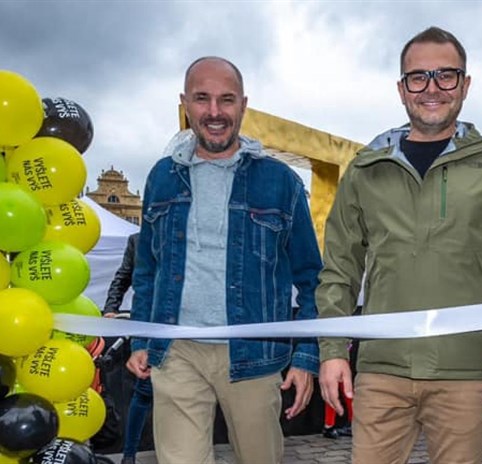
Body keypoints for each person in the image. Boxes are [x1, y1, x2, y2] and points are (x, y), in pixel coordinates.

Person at [316, 26, 482, 464]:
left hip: (467, 373)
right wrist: (331, 351)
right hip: (381, 371)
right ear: (402, 89)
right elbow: (340, 269)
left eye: (446, 75)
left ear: (465, 84)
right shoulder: (365, 169)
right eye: (418, 77)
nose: (432, 88)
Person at [126, 56, 323, 464]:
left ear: (243, 105)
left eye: (226, 100)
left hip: (254, 356)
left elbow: (311, 278)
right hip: (176, 352)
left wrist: (307, 356)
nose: (214, 112)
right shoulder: (161, 177)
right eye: (202, 98)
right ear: (185, 103)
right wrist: (141, 339)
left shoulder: (280, 181)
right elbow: (147, 270)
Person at [103, 232, 152, 464]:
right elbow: (123, 277)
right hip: (146, 322)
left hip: (180, 324)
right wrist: (111, 308)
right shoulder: (137, 240)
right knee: (143, 390)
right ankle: (129, 454)